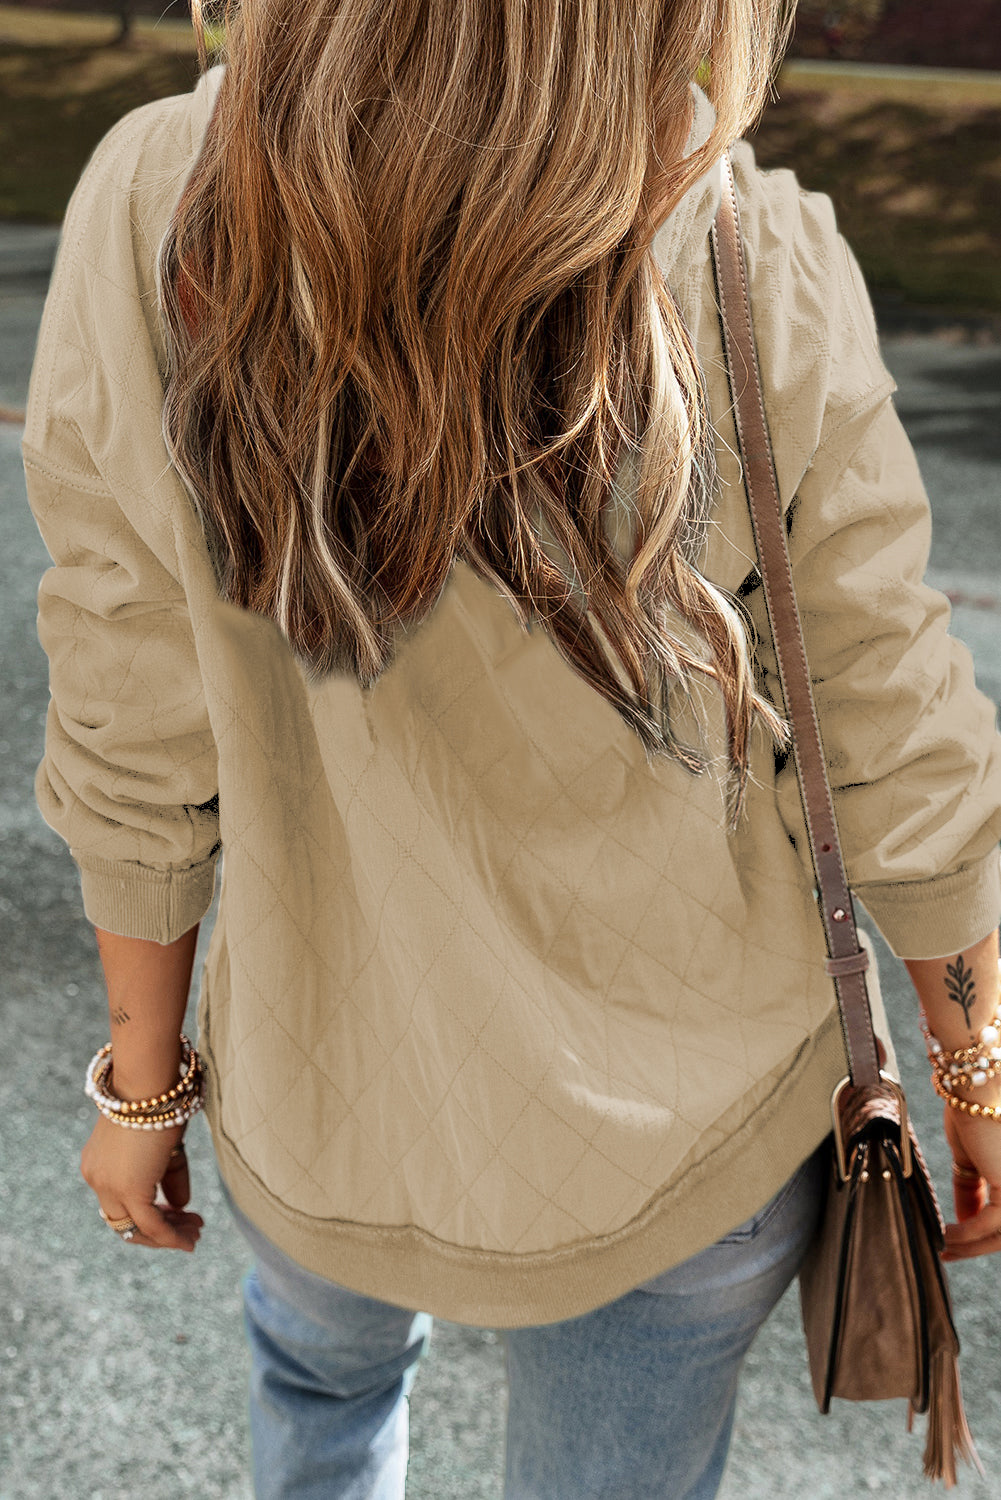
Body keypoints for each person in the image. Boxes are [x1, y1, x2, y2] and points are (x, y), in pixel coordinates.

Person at [22, 0, 1001, 1495]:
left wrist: (141, 1088)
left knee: (319, 1393)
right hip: (685, 1128)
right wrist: (974, 1074)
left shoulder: (166, 200)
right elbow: (894, 722)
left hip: (324, 1092)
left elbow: (126, 707)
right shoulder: (749, 249)